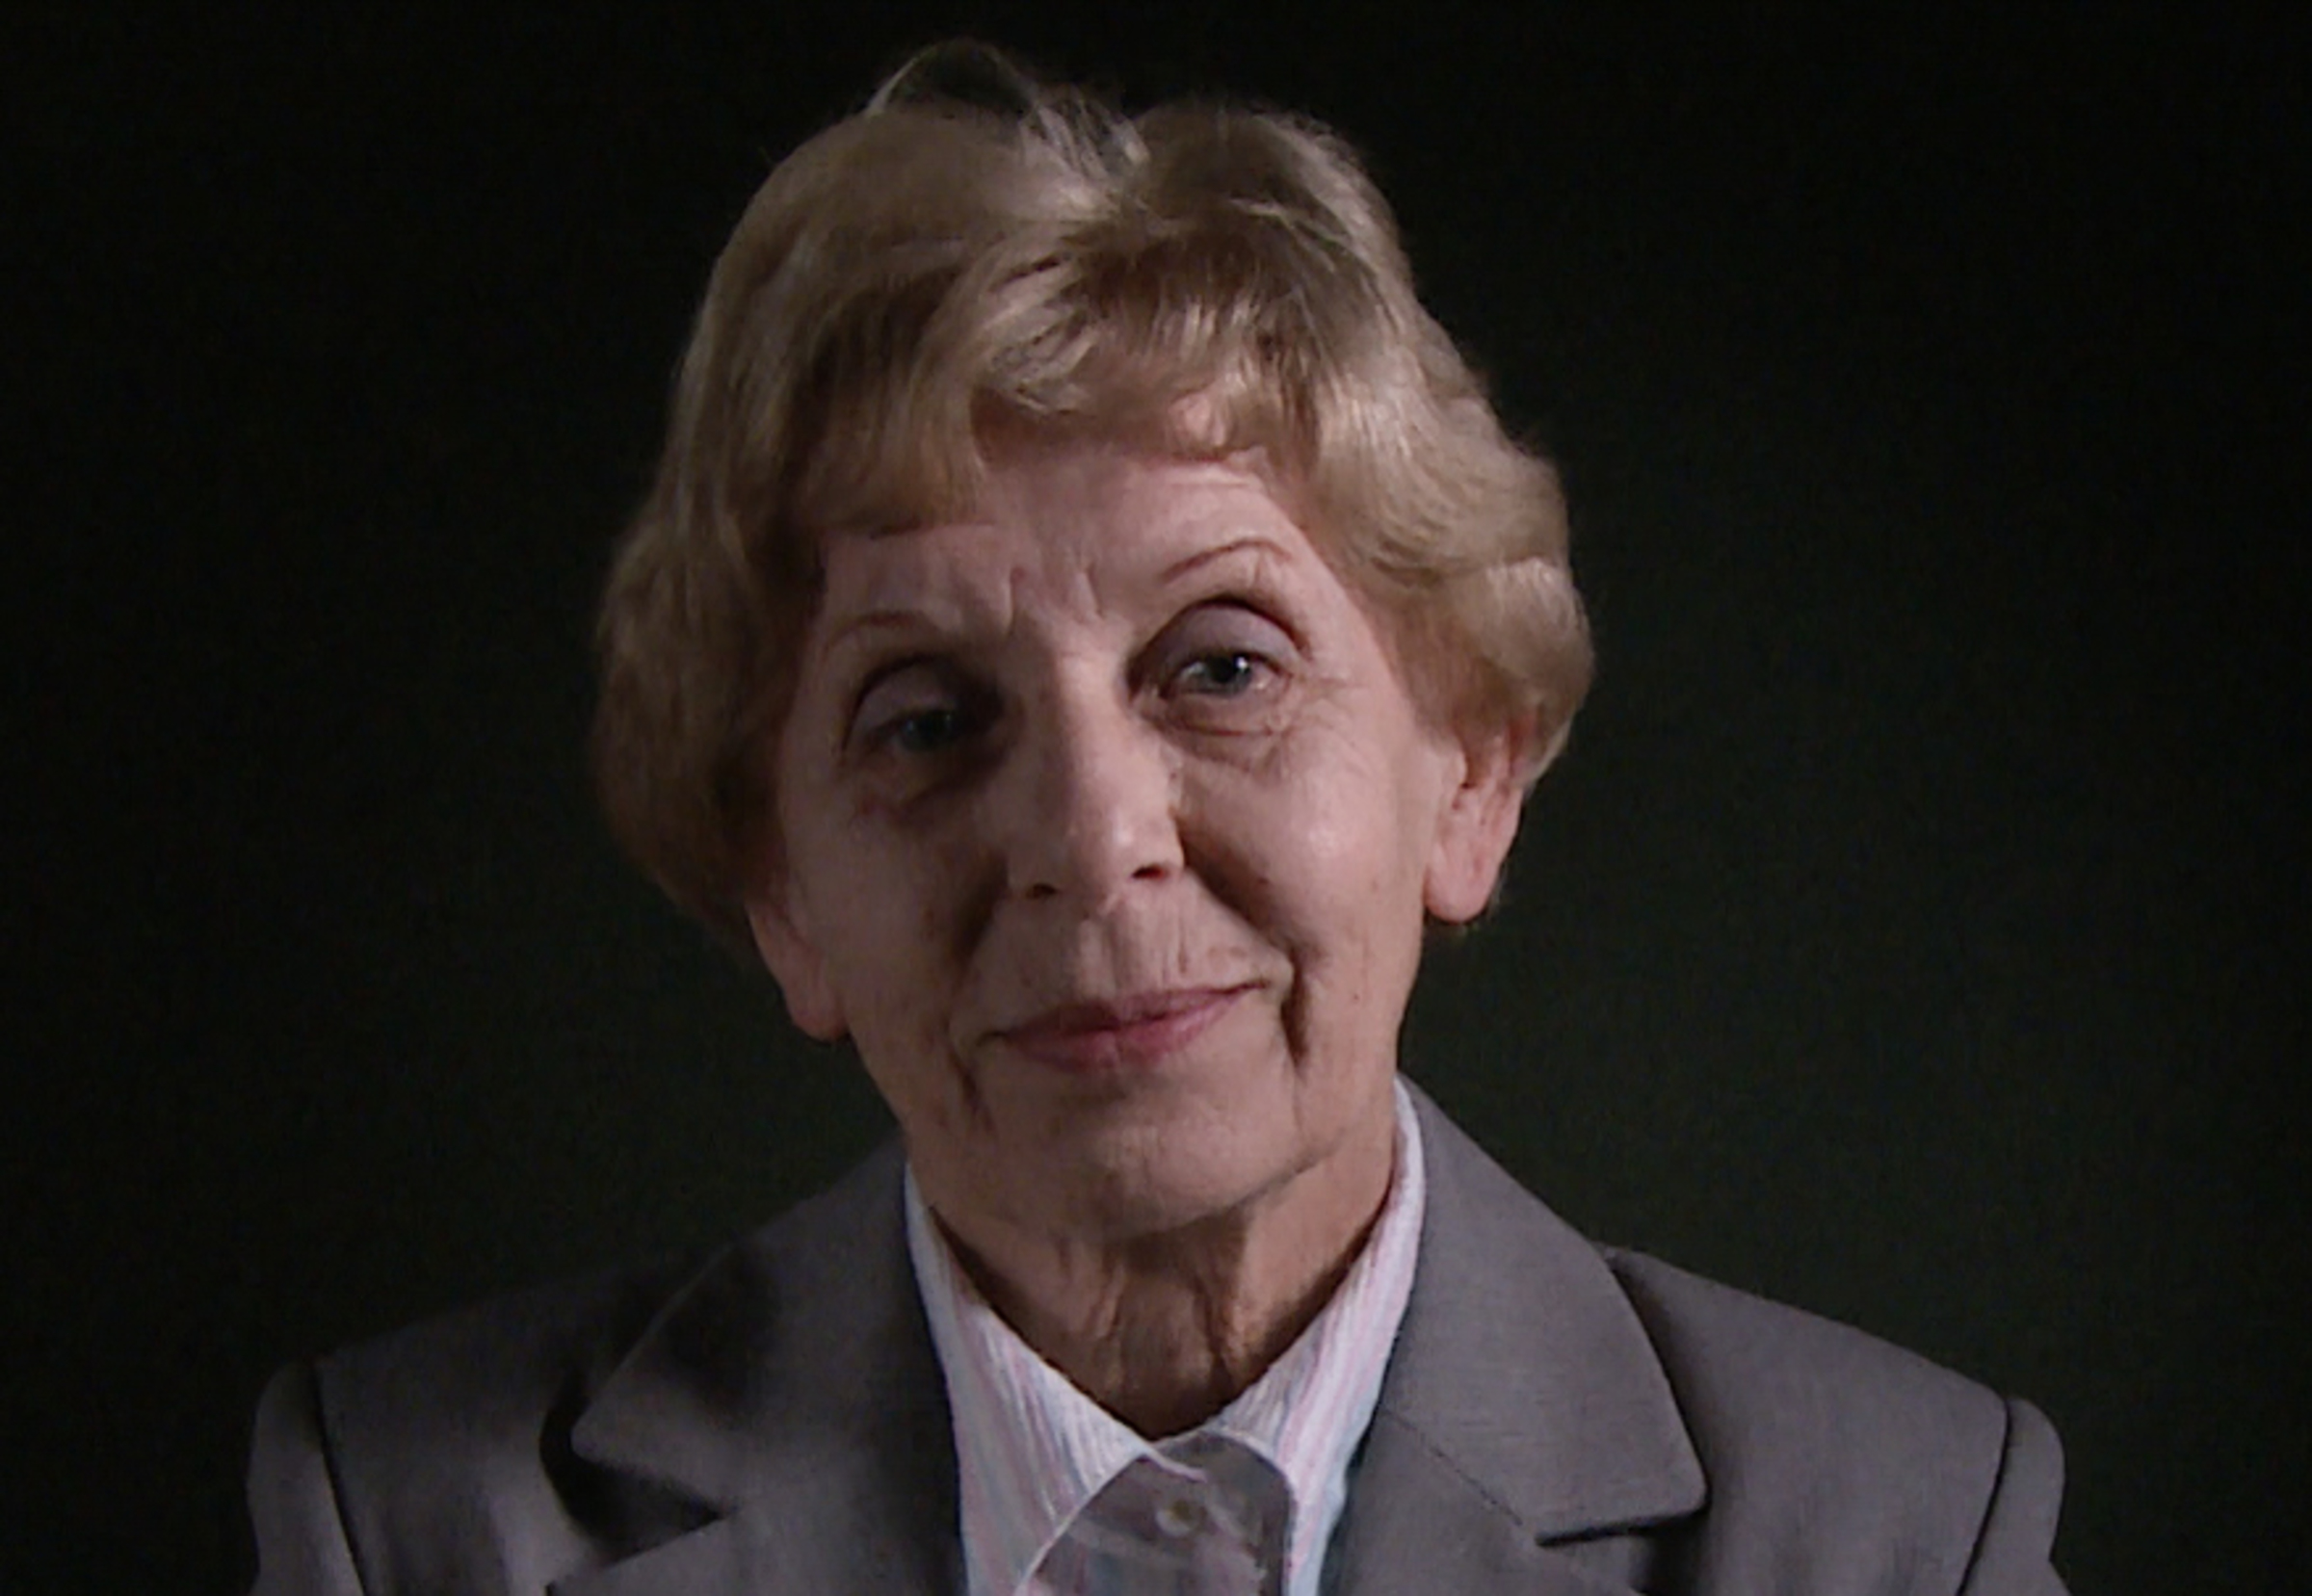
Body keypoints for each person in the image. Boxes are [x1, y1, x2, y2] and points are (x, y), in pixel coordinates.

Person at [242, 42, 2070, 1595]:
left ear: (1472, 772)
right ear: (782, 887)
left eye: (1222, 667)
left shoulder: (1897, 1538)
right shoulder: (412, 1526)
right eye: (927, 719)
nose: (1090, 835)